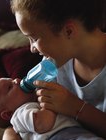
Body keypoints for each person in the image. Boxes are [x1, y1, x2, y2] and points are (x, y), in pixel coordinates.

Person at [6, 0, 106, 139]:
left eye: (34, 38)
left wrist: (75, 107)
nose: (32, 49)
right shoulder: (54, 64)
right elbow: (17, 126)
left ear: (68, 31)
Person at [0, 78, 102, 140]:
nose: (17, 80)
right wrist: (52, 103)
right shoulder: (20, 114)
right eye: (9, 86)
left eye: (12, 79)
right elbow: (42, 123)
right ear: (8, 114)